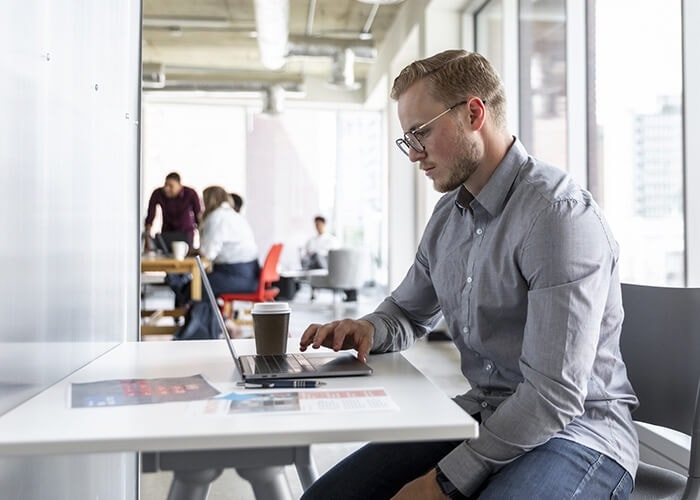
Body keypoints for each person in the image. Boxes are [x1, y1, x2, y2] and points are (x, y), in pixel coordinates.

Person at [299, 49, 638, 499]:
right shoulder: (448, 218)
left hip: (578, 435)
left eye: (421, 133)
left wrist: (442, 482)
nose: (414, 154)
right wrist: (366, 328)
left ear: (474, 113)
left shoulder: (557, 216)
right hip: (483, 416)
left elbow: (552, 398)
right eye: (407, 140)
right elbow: (406, 310)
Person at [144, 172, 202, 250]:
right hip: (166, 235)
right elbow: (150, 217)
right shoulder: (157, 193)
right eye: (165, 185)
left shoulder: (191, 193)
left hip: (186, 235)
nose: (166, 188)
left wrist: (202, 243)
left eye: (171, 186)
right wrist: (147, 242)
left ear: (180, 186)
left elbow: (199, 217)